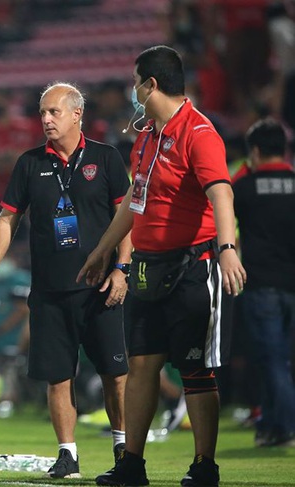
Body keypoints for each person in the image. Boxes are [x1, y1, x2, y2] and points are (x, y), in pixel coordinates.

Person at [78, 45, 247, 487]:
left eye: (136, 83)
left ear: (151, 84)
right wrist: (104, 250)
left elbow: (221, 193)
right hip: (147, 268)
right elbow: (135, 205)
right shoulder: (148, 137)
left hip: (194, 266)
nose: (133, 91)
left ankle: (204, 466)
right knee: (141, 367)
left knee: (195, 370)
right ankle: (132, 464)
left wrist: (227, 247)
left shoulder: (200, 132)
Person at [0, 82, 131, 479]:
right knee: (57, 375)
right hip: (48, 290)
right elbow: (7, 218)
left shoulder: (107, 158)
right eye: (42, 113)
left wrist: (122, 269)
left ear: (77, 114)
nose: (45, 119)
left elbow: (127, 218)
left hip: (101, 289)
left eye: (54, 112)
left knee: (116, 375)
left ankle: (123, 448)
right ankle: (68, 454)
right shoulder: (29, 163)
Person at [233, 118, 295, 448]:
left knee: (270, 358)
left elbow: (224, 229)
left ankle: (284, 425)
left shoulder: (245, 187)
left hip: (262, 285)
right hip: (291, 284)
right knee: (281, 360)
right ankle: (271, 425)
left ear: (255, 151)